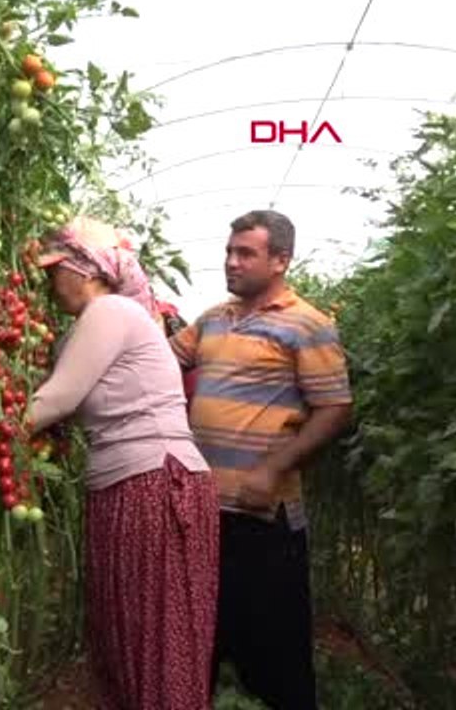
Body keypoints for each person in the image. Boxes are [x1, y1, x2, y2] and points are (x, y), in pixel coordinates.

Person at [24, 216, 219, 710]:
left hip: (156, 482)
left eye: (56, 270)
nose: (49, 283)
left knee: (156, 632)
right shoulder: (83, 331)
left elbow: (57, 399)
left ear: (86, 269)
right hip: (128, 484)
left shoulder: (111, 311)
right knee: (127, 627)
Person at [168, 209, 354, 710]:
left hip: (264, 515)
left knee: (277, 651)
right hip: (203, 511)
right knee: (200, 636)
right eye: (229, 251)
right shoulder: (212, 319)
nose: (231, 262)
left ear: (280, 261)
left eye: (245, 253)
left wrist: (274, 467)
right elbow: (162, 362)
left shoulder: (307, 326)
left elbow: (334, 408)